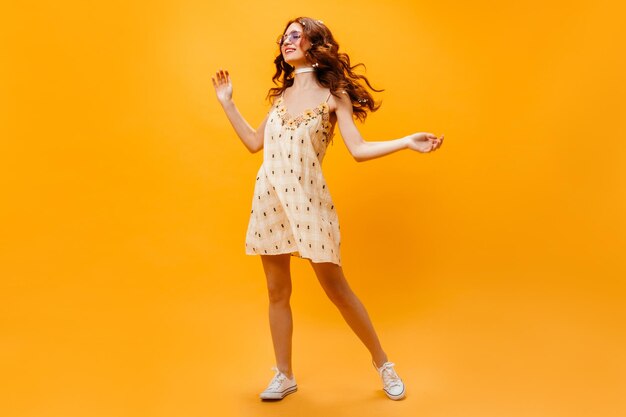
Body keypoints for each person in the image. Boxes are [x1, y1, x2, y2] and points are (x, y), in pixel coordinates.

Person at [211, 16, 444, 401]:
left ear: (314, 44)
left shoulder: (333, 96)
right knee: (276, 291)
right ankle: (283, 374)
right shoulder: (280, 98)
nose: (287, 41)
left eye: (296, 36)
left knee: (337, 291)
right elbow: (255, 143)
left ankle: (383, 363)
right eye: (284, 37)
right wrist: (227, 103)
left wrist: (405, 141)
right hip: (270, 198)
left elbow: (358, 150)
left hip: (308, 201)